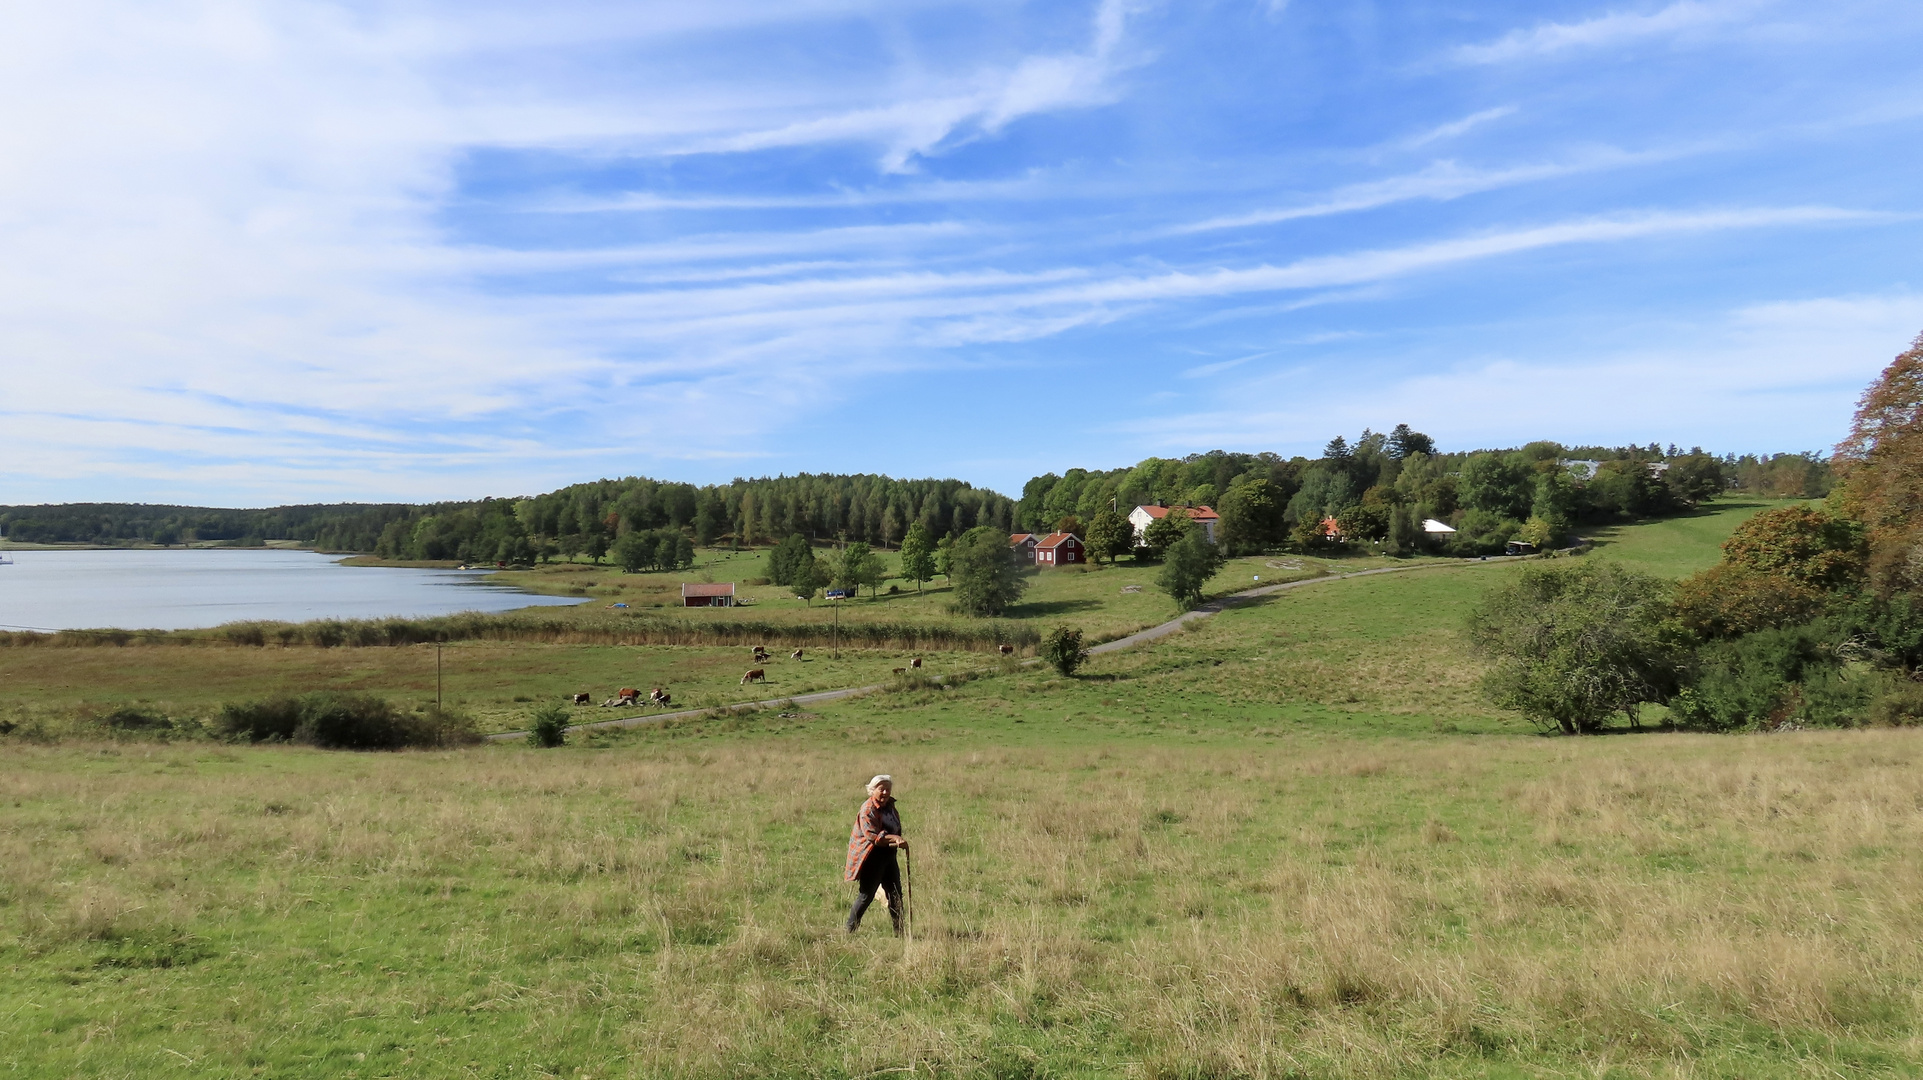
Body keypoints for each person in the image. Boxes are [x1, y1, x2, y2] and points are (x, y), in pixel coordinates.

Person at [844, 774, 907, 934]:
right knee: (866, 895)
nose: (885, 792)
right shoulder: (868, 809)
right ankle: (849, 930)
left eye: (887, 789)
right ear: (873, 790)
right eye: (881, 789)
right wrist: (895, 838)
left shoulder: (890, 806)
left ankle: (900, 932)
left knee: (895, 894)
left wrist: (896, 841)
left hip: (889, 855)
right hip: (871, 857)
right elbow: (872, 836)